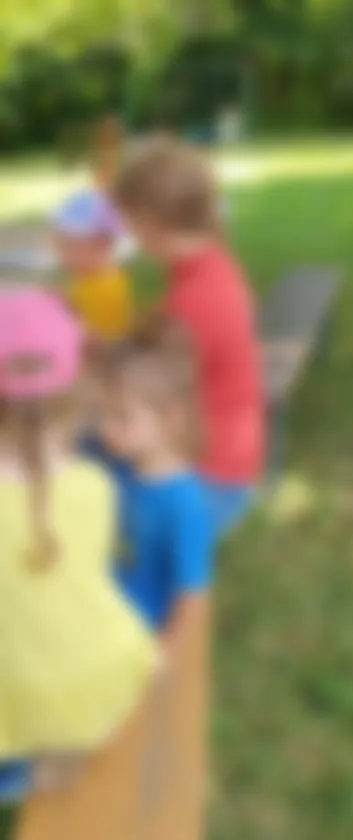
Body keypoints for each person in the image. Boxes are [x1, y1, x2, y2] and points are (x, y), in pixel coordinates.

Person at [0, 287, 160, 798]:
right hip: (97, 677)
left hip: (18, 697)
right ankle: (53, 762)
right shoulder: (95, 487)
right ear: (74, 397)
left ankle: (23, 770)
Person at [112, 136, 263, 536]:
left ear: (150, 220)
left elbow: (138, 392)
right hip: (225, 454)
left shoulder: (194, 303)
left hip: (208, 479)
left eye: (127, 220)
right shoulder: (210, 264)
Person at [97, 320, 216, 636]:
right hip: (106, 618)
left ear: (172, 418)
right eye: (103, 414)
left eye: (122, 417)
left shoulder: (183, 504)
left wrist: (168, 659)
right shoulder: (120, 466)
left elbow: (191, 597)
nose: (105, 428)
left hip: (141, 634)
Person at [53, 188, 132, 342]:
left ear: (104, 246)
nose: (63, 256)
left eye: (71, 247)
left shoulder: (113, 288)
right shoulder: (81, 276)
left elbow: (117, 340)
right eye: (61, 246)